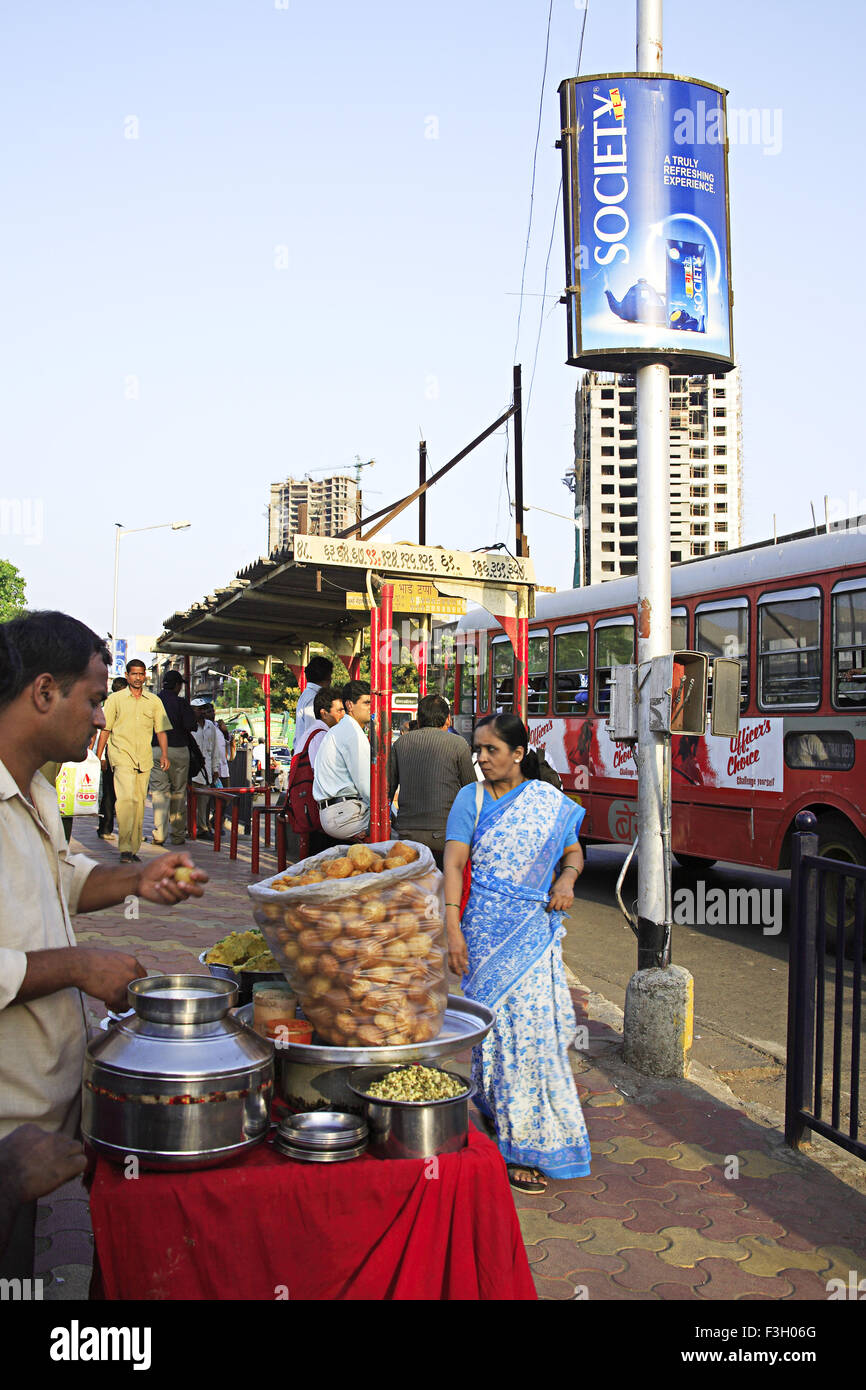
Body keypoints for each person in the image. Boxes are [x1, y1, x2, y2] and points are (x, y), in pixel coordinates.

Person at [0, 610, 207, 1277]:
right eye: (93, 699)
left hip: (30, 1136)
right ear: (42, 692)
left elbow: (60, 880)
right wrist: (80, 965)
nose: (100, 718)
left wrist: (135, 879)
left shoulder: (32, 788)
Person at [443, 713, 590, 1195]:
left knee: (532, 1036)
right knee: (494, 1033)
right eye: (478, 751)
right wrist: (451, 928)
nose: (482, 759)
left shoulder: (548, 801)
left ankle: (523, 1144)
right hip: (483, 933)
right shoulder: (472, 798)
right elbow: (455, 863)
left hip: (533, 931)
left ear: (518, 753)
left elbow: (573, 853)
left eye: (491, 750)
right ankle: (499, 1110)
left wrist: (567, 879)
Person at [96, 659, 171, 864]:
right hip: (121, 755)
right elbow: (106, 729)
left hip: (144, 758)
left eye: (141, 674)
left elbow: (161, 730)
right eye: (134, 674)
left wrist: (164, 754)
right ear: (127, 675)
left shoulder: (154, 701)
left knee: (138, 803)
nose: (138, 678)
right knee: (126, 800)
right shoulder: (115, 700)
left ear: (145, 675)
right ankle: (125, 848)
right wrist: (99, 755)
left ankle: (133, 847)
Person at [388, 693, 476, 867]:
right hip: (446, 836)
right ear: (448, 720)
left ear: (418, 720)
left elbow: (388, 791)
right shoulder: (459, 744)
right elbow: (471, 790)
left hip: (407, 835)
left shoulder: (400, 744)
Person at [285, 685, 344, 854]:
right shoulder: (321, 736)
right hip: (319, 812)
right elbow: (325, 775)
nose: (343, 715)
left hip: (309, 809)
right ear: (324, 713)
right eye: (339, 710)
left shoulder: (312, 733)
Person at [312, 680, 371, 840]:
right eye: (366, 703)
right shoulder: (352, 733)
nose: (371, 708)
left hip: (336, 812)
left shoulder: (342, 729)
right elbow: (366, 786)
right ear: (350, 705)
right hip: (344, 815)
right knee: (399, 833)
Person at [149, 670, 196, 846]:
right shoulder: (181, 703)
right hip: (178, 750)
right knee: (178, 792)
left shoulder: (153, 701)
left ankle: (159, 834)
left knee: (159, 792)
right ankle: (177, 835)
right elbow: (190, 725)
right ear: (177, 686)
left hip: (156, 751)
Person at [96, 677, 128, 839]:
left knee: (125, 794)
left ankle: (127, 831)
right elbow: (103, 732)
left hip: (125, 756)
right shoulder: (109, 706)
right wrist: (100, 756)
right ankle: (105, 828)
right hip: (110, 755)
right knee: (109, 793)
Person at [190, 699, 220, 839]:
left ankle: (202, 827)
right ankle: (188, 827)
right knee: (188, 801)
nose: (201, 712)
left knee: (204, 802)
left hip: (206, 770)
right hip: (192, 770)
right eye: (198, 709)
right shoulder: (189, 725)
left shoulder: (210, 727)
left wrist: (215, 769)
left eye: (203, 709)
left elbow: (215, 750)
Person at [293, 656, 334, 754]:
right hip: (310, 758)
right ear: (327, 677)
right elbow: (313, 733)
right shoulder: (313, 698)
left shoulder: (307, 695)